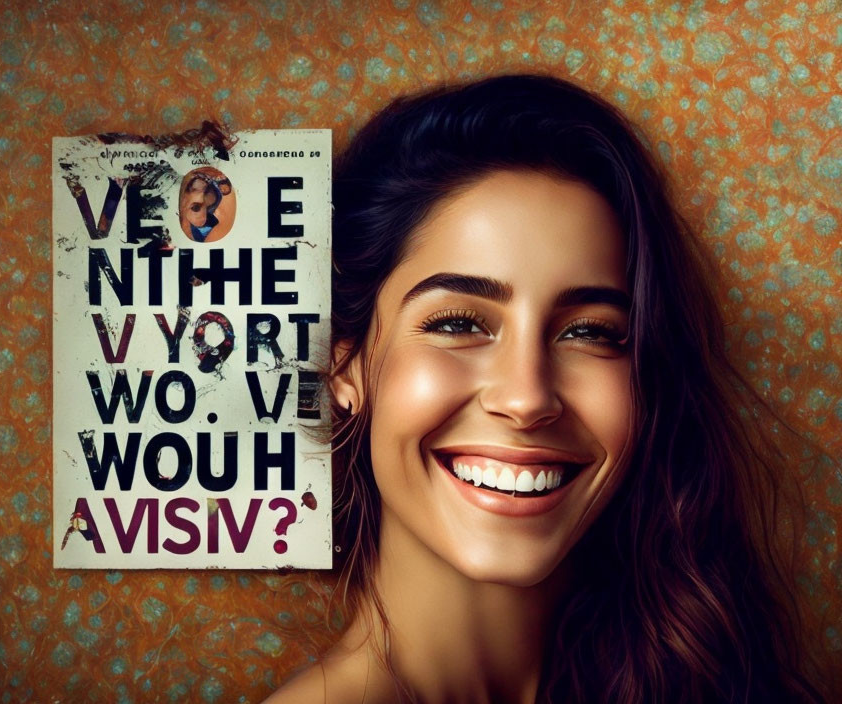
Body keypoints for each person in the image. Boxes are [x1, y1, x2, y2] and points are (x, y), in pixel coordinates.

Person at [267, 74, 831, 703]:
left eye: (589, 332)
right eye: (458, 323)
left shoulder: (704, 673)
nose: (527, 396)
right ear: (344, 366)